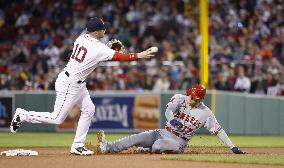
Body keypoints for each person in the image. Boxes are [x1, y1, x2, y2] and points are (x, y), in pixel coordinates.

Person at [10, 17, 157, 155]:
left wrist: (107, 50)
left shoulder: (81, 38)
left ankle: (77, 145)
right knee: (57, 118)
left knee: (89, 109)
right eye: (103, 28)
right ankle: (23, 115)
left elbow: (95, 56)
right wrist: (140, 55)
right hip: (70, 84)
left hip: (74, 81)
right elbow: (120, 57)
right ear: (96, 31)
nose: (105, 30)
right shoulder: (99, 48)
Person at [97, 84, 246, 154]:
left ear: (200, 99)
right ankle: (107, 148)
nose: (189, 97)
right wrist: (172, 119)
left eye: (192, 97)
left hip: (178, 141)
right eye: (189, 94)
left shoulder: (206, 113)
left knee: (157, 146)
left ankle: (146, 149)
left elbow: (219, 131)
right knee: (135, 138)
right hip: (163, 132)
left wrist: (232, 147)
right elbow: (168, 111)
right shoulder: (180, 98)